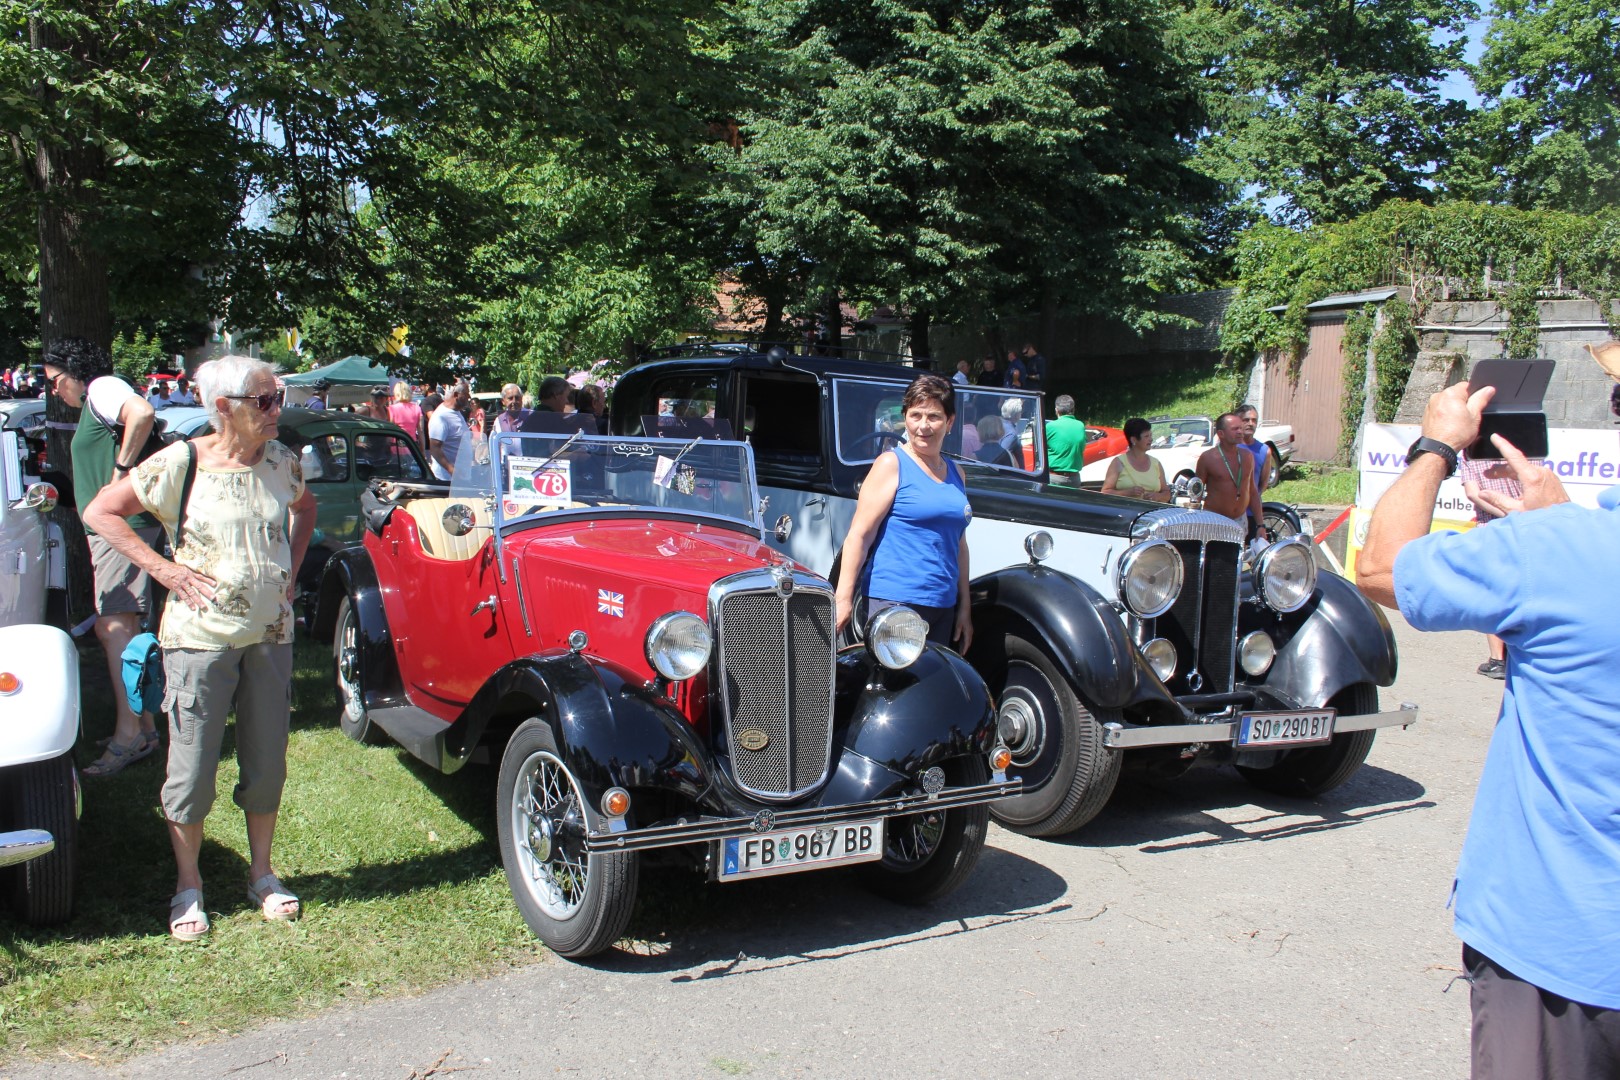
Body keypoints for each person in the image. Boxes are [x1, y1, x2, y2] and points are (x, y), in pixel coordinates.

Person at [1354, 379, 1620, 1080]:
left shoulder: (1561, 552)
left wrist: (1438, 445)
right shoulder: (1562, 546)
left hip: (1565, 953)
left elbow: (1381, 566)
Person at [83, 355, 316, 941]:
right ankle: (189, 886)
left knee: (266, 766)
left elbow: (303, 508)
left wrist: (291, 566)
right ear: (222, 408)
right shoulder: (180, 462)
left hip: (271, 637)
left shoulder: (283, 460)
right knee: (191, 772)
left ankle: (262, 874)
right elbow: (100, 511)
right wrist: (162, 570)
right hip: (198, 642)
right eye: (262, 402)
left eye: (277, 398)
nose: (275, 411)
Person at [41, 338, 163, 776]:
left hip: (120, 529)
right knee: (126, 630)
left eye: (55, 380)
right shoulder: (99, 398)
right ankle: (144, 729)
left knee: (115, 627)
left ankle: (128, 736)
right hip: (115, 528)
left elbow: (143, 413)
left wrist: (121, 472)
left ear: (75, 371)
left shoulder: (103, 387)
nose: (54, 390)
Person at [834, 374, 971, 651]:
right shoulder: (891, 464)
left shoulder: (958, 474)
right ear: (905, 417)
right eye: (915, 415)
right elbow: (859, 536)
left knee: (932, 690)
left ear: (950, 422)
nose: (923, 426)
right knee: (895, 690)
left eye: (933, 416)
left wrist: (965, 606)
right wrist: (843, 599)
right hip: (895, 603)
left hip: (942, 606)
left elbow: (959, 544)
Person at [1457, 449, 1525, 680]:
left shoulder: (1470, 455)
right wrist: (1516, 515)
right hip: (1525, 528)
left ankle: (1498, 659)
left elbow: (1473, 494)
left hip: (1491, 530)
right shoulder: (1520, 451)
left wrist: (1502, 514)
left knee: (1493, 595)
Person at [1195, 412, 1257, 527]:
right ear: (1221, 434)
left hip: (1240, 519)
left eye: (1240, 428)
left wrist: (1261, 525)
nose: (1240, 432)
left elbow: (1252, 491)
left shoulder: (1247, 456)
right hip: (1214, 520)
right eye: (1235, 429)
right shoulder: (1208, 458)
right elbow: (1196, 492)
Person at [1101, 417, 1171, 502]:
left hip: (1152, 512)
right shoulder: (1118, 462)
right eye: (1146, 436)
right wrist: (1127, 493)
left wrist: (1157, 497)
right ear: (1133, 439)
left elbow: (1167, 493)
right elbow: (1105, 493)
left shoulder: (1156, 463)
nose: (1151, 439)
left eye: (1151, 435)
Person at [427, 381, 469, 480]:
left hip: (461, 477)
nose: (469, 397)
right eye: (466, 394)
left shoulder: (457, 412)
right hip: (446, 479)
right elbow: (435, 448)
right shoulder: (441, 417)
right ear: (456, 395)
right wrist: (451, 470)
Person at [1044, 395, 1086, 487]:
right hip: (1074, 479)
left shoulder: (1050, 427)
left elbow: (1039, 450)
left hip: (1054, 478)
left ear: (1056, 410)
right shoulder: (1081, 426)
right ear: (1073, 410)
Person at [1236, 404, 1270, 492]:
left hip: (1252, 504)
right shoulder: (1228, 447)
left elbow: (1264, 483)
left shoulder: (1264, 450)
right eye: (1246, 420)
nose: (1251, 424)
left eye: (1254, 420)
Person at [388, 381, 426, 447]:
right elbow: (421, 431)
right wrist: (422, 451)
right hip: (412, 447)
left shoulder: (391, 409)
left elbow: (389, 431)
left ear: (396, 393)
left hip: (396, 447)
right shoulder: (417, 408)